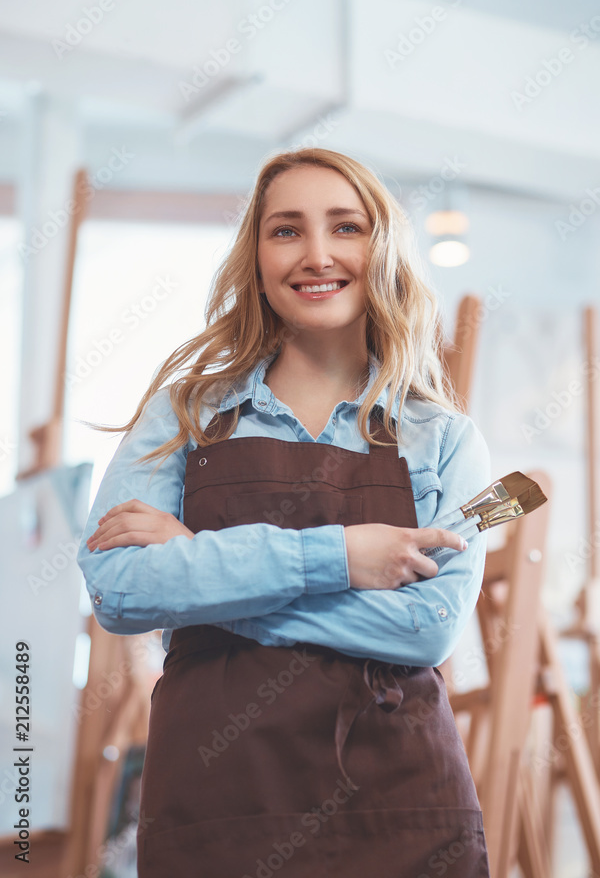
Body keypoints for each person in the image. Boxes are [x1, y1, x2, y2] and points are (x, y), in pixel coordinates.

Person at [77, 147, 492, 877]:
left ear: (381, 249)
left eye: (345, 227)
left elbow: (426, 629)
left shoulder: (442, 437)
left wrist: (205, 574)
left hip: (400, 812)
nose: (317, 254)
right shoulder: (184, 415)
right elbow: (118, 588)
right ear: (257, 256)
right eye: (286, 230)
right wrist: (339, 558)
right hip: (217, 807)